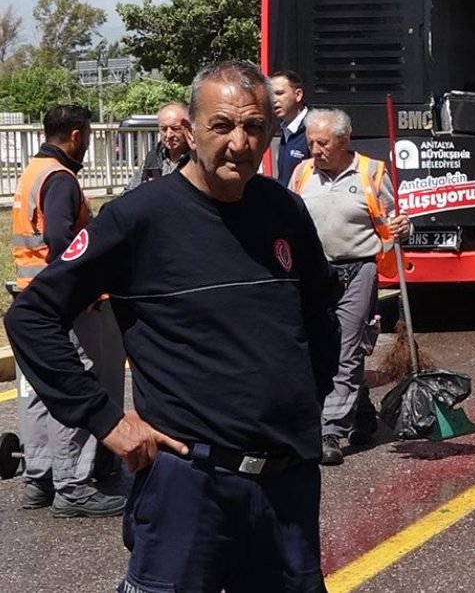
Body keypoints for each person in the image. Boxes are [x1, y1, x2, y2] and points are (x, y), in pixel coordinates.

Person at [5, 61, 341, 591]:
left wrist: (307, 399)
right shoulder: (140, 218)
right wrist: (106, 420)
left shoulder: (285, 210)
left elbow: (319, 313)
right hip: (189, 488)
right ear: (191, 128)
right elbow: (32, 315)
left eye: (253, 127)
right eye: (222, 126)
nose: (239, 142)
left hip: (287, 487)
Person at [9, 103, 127, 518]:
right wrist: (84, 283)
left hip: (30, 296)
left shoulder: (32, 170)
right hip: (61, 300)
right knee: (75, 384)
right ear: (77, 134)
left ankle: (38, 477)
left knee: (41, 389)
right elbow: (61, 238)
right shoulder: (60, 178)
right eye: (90, 133)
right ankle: (73, 483)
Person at [288, 108, 410, 466]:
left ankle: (330, 431)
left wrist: (405, 229)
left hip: (357, 271)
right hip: (312, 276)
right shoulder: (302, 173)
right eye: (311, 142)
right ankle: (362, 410)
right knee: (317, 349)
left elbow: (391, 224)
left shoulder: (372, 172)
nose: (315, 149)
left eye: (322, 142)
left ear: (343, 141)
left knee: (346, 351)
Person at [125, 101, 190, 190]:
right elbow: (130, 192)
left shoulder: (198, 160)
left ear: (189, 128)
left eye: (175, 129)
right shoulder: (152, 160)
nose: (169, 135)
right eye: (164, 129)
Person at [270, 69, 310, 184]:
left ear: (298, 95)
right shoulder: (285, 130)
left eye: (279, 93)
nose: (273, 100)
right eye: (270, 95)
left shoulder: (313, 130)